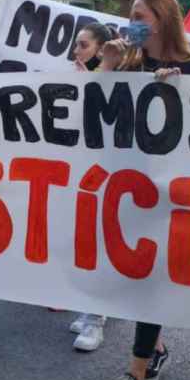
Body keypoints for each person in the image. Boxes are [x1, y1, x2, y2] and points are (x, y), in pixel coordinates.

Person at [97, 0, 190, 380]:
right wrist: (106, 65)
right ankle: (156, 350)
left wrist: (180, 92)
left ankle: (136, 373)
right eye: (130, 15)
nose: (132, 22)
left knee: (150, 280)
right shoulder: (130, 62)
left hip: (168, 193)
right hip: (124, 186)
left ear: (161, 19)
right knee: (132, 277)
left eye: (139, 14)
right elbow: (89, 110)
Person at [67, 22, 115, 352]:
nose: (76, 51)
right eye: (76, 44)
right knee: (81, 242)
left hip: (106, 173)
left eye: (83, 45)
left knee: (98, 243)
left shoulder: (117, 77)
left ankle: (97, 319)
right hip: (78, 169)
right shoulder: (75, 74)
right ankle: (89, 308)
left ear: (100, 49)